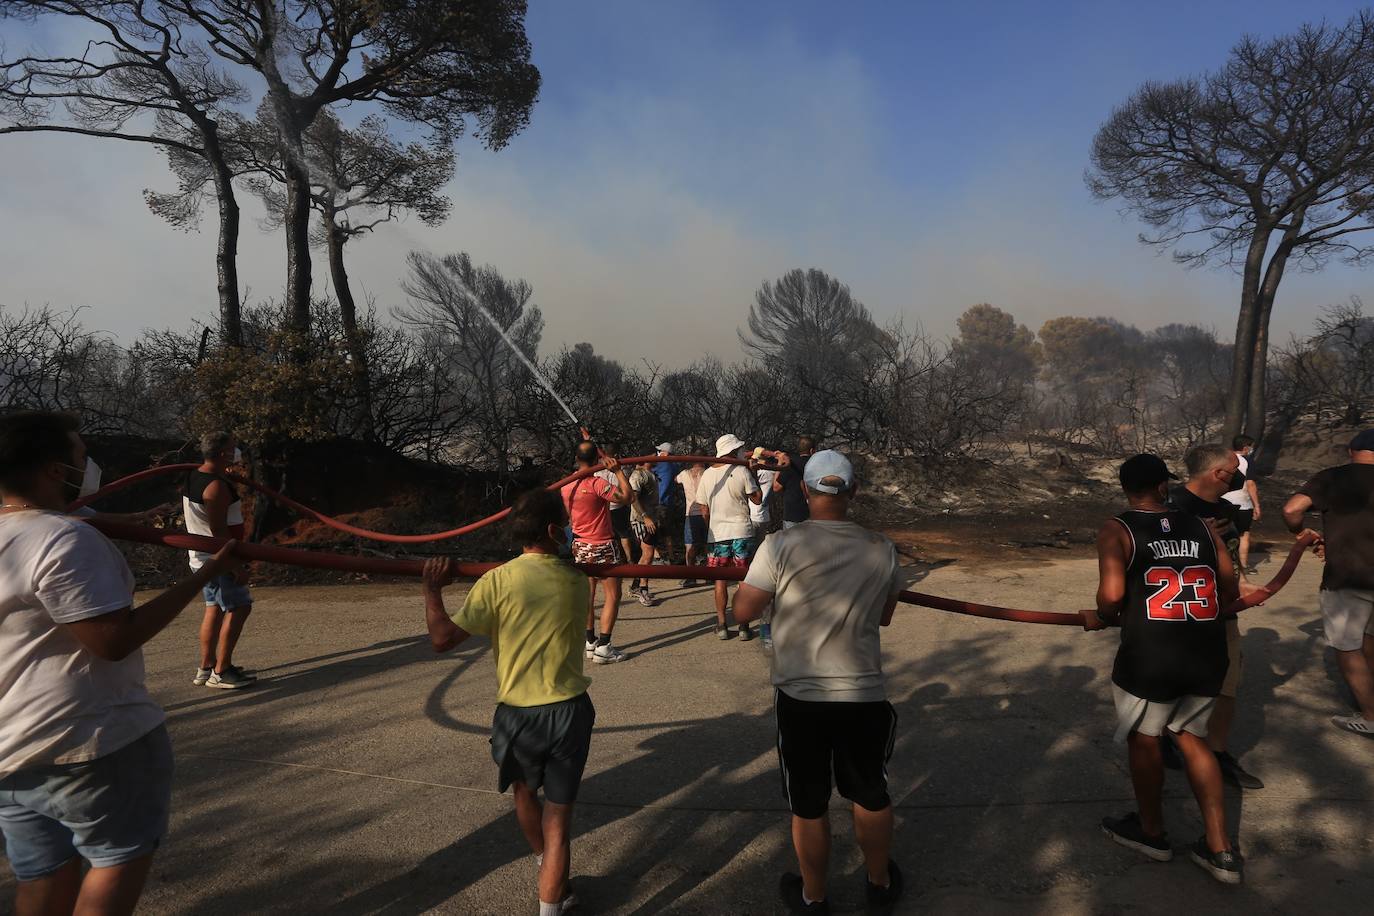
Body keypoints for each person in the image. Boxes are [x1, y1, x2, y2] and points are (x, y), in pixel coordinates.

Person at [0, 410, 240, 915]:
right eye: (80, 457)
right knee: (116, 859)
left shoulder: (20, 536)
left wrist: (130, 521)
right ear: (52, 469)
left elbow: (65, 522)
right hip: (88, 743)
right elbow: (113, 640)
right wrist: (204, 576)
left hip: (11, 751)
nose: (88, 466)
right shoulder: (64, 540)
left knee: (42, 875)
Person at [732, 450, 906, 914]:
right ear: (852, 492)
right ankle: (880, 882)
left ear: (804, 491)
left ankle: (814, 896)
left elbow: (743, 612)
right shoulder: (881, 547)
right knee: (870, 792)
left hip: (801, 697)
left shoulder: (779, 546)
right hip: (863, 694)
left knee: (808, 803)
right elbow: (884, 616)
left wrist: (761, 590)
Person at [422, 489, 593, 916]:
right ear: (556, 530)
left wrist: (432, 590)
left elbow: (442, 639)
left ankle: (547, 867)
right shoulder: (577, 579)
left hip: (516, 715)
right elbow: (572, 561)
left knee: (523, 791)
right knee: (558, 828)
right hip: (567, 711)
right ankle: (552, 886)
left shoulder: (496, 581)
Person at [1085, 453, 1243, 886]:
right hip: (1206, 652)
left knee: (1146, 737)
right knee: (1194, 740)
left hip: (1151, 657)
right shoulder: (1202, 528)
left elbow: (1112, 596)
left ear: (1126, 489)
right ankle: (1220, 848)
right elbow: (1229, 587)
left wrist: (1097, 613)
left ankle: (1152, 832)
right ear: (1160, 487)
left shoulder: (1117, 530)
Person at [1166, 444, 1263, 790]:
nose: (1240, 476)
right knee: (1171, 684)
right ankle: (1162, 739)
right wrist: (1198, 536)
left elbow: (1233, 557)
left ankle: (1218, 753)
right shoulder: (1168, 506)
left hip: (1222, 614)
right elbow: (1150, 560)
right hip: (1177, 617)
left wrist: (1243, 584)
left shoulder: (1227, 509)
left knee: (1228, 683)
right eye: (1235, 469)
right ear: (1219, 473)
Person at [1282, 429, 1374, 737]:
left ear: (1351, 451)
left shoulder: (1333, 477)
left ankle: (1370, 715)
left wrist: (1300, 532)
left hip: (1346, 576)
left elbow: (1292, 508)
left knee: (1347, 646)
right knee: (1370, 639)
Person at [184, 431, 257, 689]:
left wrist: (226, 476)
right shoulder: (216, 487)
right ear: (222, 453)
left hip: (203, 558)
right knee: (239, 607)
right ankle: (221, 670)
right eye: (233, 447)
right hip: (218, 559)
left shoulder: (198, 475)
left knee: (214, 608)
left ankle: (206, 667)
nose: (236, 451)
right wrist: (235, 566)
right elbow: (219, 532)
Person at [561, 443, 632, 664]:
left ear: (576, 457)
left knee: (588, 595)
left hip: (580, 545)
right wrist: (618, 471)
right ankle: (604, 646)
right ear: (596, 460)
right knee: (613, 594)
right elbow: (627, 497)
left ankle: (590, 641)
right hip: (601, 544)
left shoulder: (566, 485)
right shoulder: (596, 484)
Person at [695, 434, 763, 641]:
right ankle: (743, 626)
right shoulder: (742, 470)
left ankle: (722, 624)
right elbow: (757, 499)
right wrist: (754, 473)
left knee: (720, 581)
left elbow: (703, 508)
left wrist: (711, 529)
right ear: (733, 451)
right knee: (743, 580)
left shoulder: (707, 475)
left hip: (718, 534)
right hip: (741, 531)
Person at [1222, 435, 1262, 572]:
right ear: (1245, 448)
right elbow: (1250, 484)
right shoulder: (1247, 461)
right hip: (1243, 503)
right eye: (1251, 446)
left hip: (1223, 502)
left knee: (1223, 533)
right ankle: (1243, 566)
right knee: (1244, 534)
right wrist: (1256, 505)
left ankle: (1224, 564)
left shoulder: (1223, 459)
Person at [627, 462, 664, 607]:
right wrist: (645, 517)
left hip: (651, 518)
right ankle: (643, 589)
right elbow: (633, 498)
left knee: (646, 554)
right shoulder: (637, 475)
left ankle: (636, 585)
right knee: (648, 553)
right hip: (641, 520)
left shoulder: (651, 474)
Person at [777, 435, 817, 530]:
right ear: (812, 450)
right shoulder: (816, 465)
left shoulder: (791, 464)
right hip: (811, 514)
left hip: (792, 514)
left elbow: (776, 487)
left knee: (791, 544)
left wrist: (779, 463)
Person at [678, 461, 708, 588]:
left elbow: (676, 479)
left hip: (691, 514)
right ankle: (711, 575)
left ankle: (691, 577)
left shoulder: (684, 474)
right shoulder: (708, 473)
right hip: (707, 512)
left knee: (690, 546)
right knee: (709, 544)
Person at [651, 442, 678, 564]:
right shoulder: (674, 465)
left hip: (659, 502)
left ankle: (657, 556)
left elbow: (646, 467)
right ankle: (671, 556)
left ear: (665, 453)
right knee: (668, 532)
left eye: (659, 451)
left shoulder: (661, 464)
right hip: (669, 502)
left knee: (653, 530)